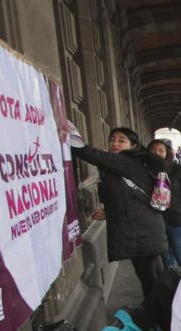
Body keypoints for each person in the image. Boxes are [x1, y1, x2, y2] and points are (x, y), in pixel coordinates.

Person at [69, 126, 167, 299]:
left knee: (151, 284)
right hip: (145, 229)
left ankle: (161, 320)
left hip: (141, 234)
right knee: (155, 278)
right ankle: (163, 315)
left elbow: (92, 154)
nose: (115, 143)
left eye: (122, 140)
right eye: (112, 139)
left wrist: (68, 137)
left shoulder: (126, 161)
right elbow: (129, 196)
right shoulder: (131, 163)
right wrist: (108, 212)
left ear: (133, 145)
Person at [148, 139, 181, 271]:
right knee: (167, 259)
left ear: (167, 153)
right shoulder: (146, 172)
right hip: (157, 221)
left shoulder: (177, 169)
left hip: (178, 221)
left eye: (160, 150)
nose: (156, 153)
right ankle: (172, 285)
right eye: (153, 150)